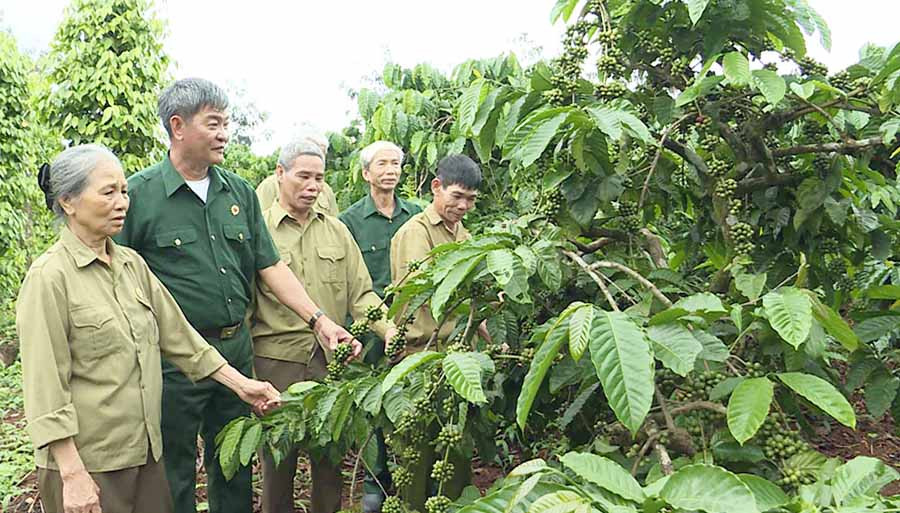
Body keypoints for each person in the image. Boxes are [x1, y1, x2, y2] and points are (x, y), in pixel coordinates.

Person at [114, 78, 357, 513]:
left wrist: (318, 320)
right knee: (176, 467)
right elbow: (117, 280)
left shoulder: (237, 192)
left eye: (228, 122)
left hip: (235, 349)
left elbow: (270, 265)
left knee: (235, 461)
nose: (225, 132)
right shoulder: (141, 196)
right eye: (214, 123)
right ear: (178, 126)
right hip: (174, 362)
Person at [17, 144, 281, 513]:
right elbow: (45, 387)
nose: (122, 201)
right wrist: (72, 474)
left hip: (145, 453)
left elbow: (181, 338)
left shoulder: (132, 265)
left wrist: (242, 385)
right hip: (92, 463)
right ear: (68, 202)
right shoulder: (50, 278)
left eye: (124, 191)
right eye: (108, 192)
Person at [251, 139, 397, 513]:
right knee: (277, 464)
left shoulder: (336, 231)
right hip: (276, 361)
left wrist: (389, 329)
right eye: (303, 176)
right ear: (280, 174)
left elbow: (361, 296)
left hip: (330, 364)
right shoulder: (258, 229)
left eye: (319, 178)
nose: (312, 186)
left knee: (329, 461)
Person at [388, 154, 488, 510]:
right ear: (436, 188)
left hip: (457, 355)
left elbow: (472, 294)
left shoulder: (463, 233)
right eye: (456, 196)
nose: (462, 206)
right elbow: (429, 290)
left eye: (471, 200)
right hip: (422, 356)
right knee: (417, 456)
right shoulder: (416, 232)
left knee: (454, 452)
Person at [338, 141, 421, 512]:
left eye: (396, 164)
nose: (390, 170)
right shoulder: (348, 222)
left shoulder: (416, 216)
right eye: (382, 164)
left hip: (415, 325)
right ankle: (375, 481)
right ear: (366, 173)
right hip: (370, 328)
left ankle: (414, 476)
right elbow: (348, 285)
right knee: (373, 406)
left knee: (414, 400)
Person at [255, 131, 338, 215]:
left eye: (321, 153)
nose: (315, 156)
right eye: (308, 150)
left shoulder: (326, 190)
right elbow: (259, 220)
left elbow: (333, 220)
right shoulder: (270, 185)